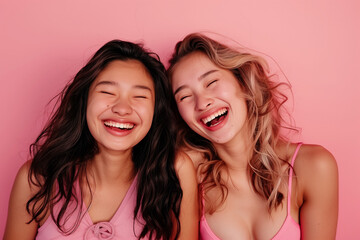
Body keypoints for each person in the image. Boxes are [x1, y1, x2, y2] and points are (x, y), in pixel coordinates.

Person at [4, 39, 198, 240]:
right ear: (84, 100)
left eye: (140, 96)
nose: (122, 108)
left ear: (156, 111)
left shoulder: (175, 171)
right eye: (107, 92)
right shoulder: (37, 179)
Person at [167, 33, 338, 240]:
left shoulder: (314, 166)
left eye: (211, 82)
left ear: (242, 82)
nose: (202, 103)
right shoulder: (188, 178)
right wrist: (183, 166)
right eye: (184, 96)